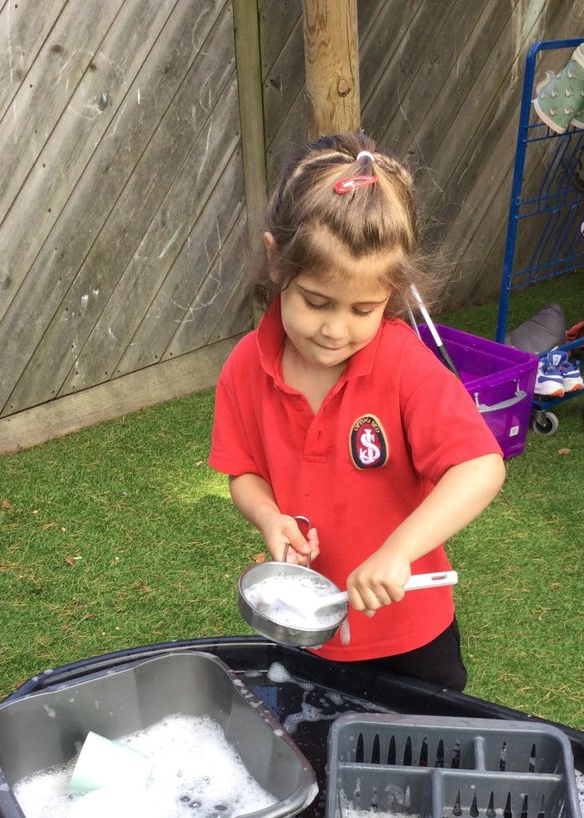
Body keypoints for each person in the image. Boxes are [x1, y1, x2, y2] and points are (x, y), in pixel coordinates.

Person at [208, 131, 505, 690]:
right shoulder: (246, 367)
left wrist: (398, 552)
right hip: (308, 627)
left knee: (419, 758)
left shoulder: (403, 367)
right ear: (277, 263)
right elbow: (242, 470)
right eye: (316, 302)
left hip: (410, 634)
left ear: (391, 294)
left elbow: (481, 468)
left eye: (363, 309)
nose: (335, 329)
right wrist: (270, 517)